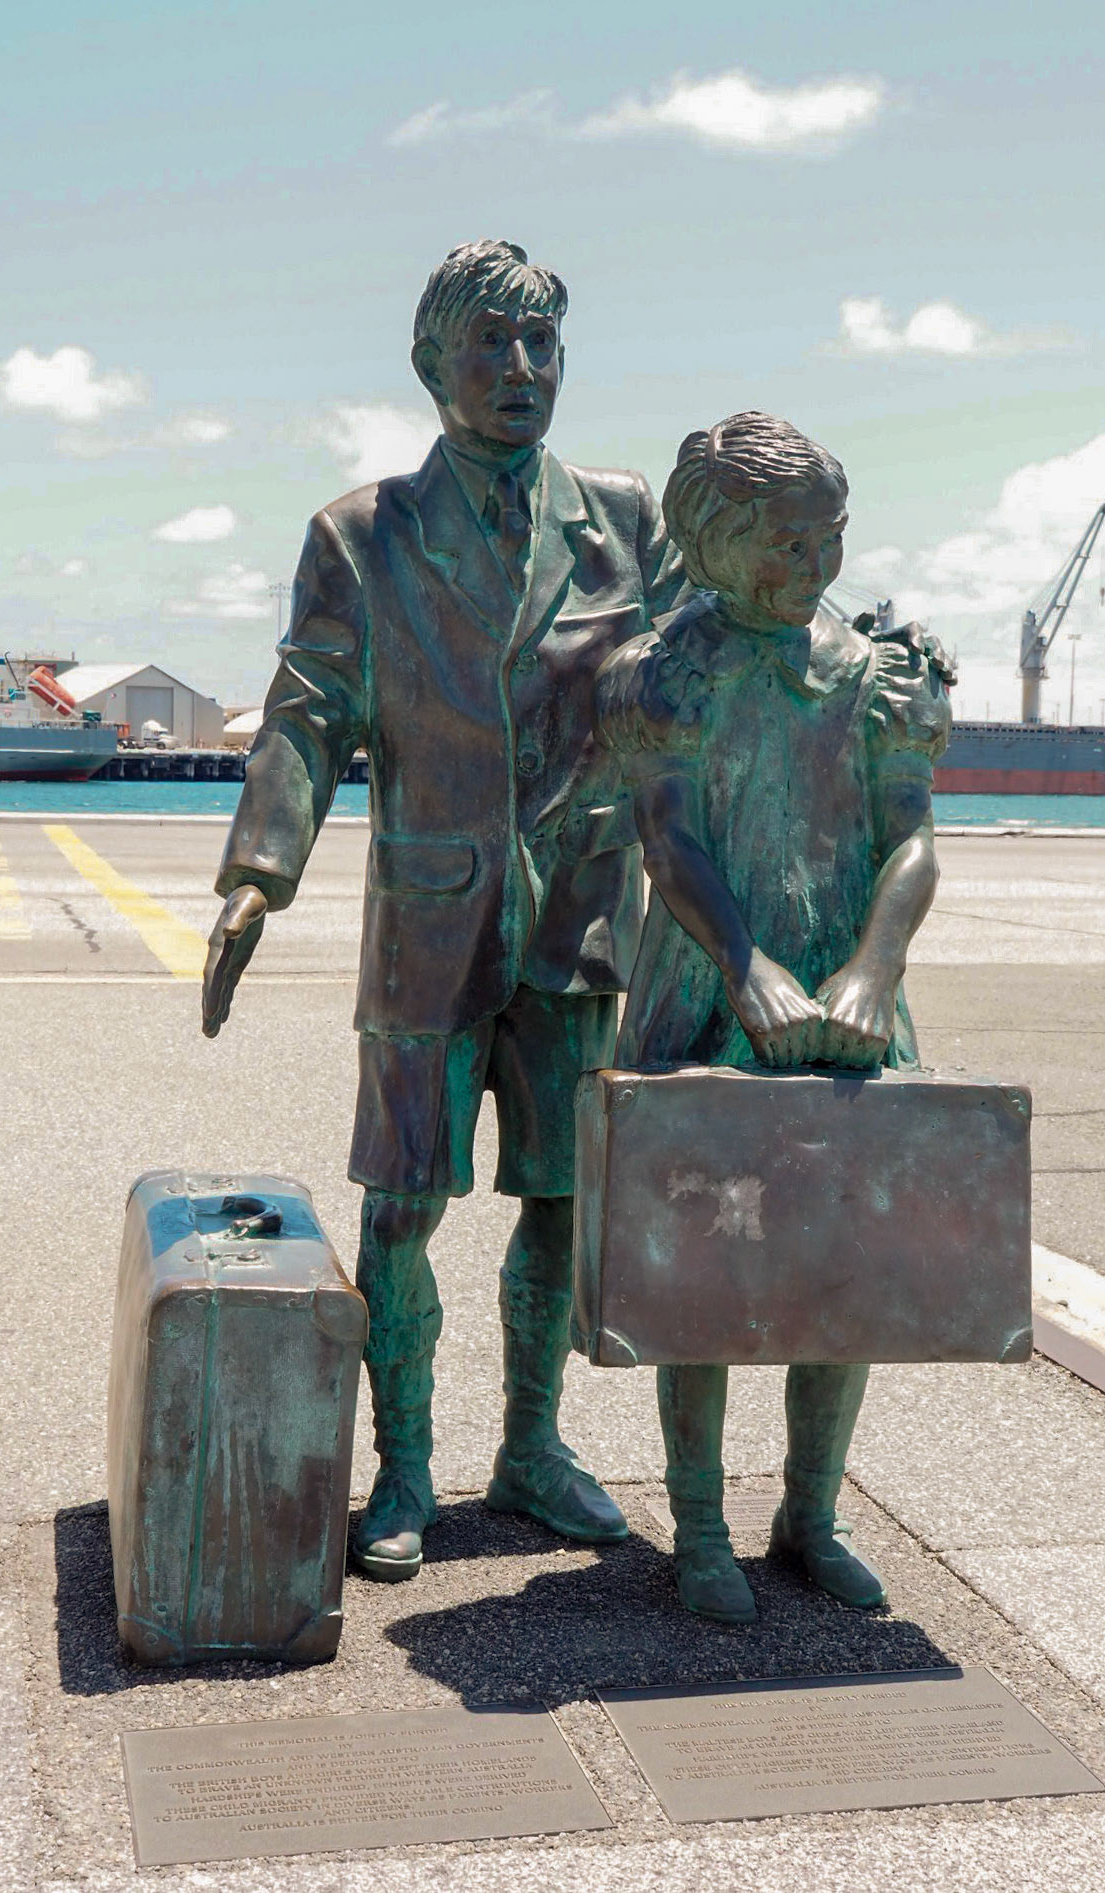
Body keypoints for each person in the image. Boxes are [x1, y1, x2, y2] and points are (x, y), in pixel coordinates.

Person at [201, 240, 684, 1582]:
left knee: (562, 1202)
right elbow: (308, 714)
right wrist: (256, 875)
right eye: (489, 344)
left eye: (541, 345)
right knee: (402, 1206)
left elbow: (710, 670)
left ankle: (531, 1446)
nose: (520, 370)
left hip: (580, 923)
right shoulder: (362, 534)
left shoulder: (627, 519)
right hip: (428, 927)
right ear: (430, 366)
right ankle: (403, 1464)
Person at [596, 411, 953, 1623]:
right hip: (706, 986)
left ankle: (811, 1511)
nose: (811, 566)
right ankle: (698, 1522)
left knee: (841, 1267)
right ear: (707, 543)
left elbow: (910, 840)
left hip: (848, 992)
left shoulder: (882, 673)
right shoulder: (660, 671)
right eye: (783, 545)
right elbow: (668, 837)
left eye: (826, 539)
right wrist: (744, 966)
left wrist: (873, 969)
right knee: (697, 1266)